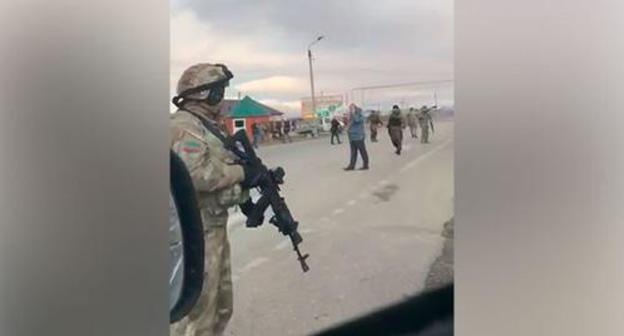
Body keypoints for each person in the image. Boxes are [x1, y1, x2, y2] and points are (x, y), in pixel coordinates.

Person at [170, 63, 264, 336]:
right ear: (204, 95)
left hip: (213, 228)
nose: (222, 97)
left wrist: (248, 183)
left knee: (221, 308)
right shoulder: (184, 127)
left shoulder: (206, 126)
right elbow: (199, 175)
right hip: (195, 235)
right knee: (198, 314)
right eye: (218, 91)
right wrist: (241, 173)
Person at [344, 104, 369, 170]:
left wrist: (353, 113)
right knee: (353, 152)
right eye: (349, 108)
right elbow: (349, 124)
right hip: (352, 136)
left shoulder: (359, 114)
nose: (350, 110)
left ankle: (365, 165)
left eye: (351, 108)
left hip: (358, 136)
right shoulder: (351, 115)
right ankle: (351, 165)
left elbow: (357, 120)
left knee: (362, 151)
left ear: (355, 108)